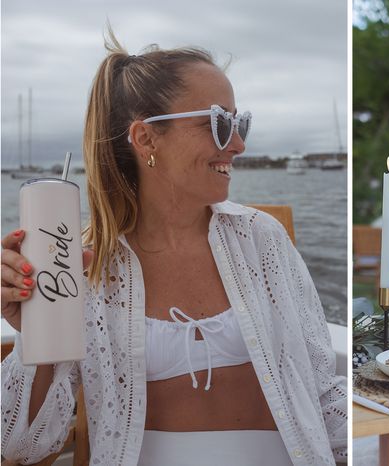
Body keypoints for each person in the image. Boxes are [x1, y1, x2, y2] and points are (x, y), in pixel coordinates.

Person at [1, 29, 347, 466]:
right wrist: (32, 331)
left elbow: (322, 389)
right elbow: (22, 445)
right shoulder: (81, 267)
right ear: (146, 139)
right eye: (220, 123)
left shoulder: (261, 239)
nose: (238, 144)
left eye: (240, 124)